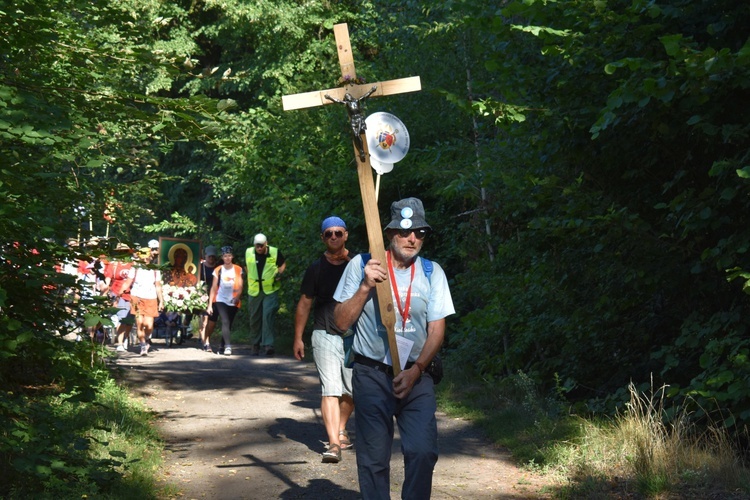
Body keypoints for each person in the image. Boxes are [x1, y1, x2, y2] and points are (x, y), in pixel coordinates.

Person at [333, 197, 455, 499]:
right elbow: (340, 323)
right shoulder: (362, 265)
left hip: (417, 374)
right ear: (389, 233)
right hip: (371, 374)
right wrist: (365, 288)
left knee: (423, 451)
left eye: (419, 232)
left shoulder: (432, 272)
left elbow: (437, 328)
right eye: (404, 231)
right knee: (374, 459)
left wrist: (416, 371)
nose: (412, 238)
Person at [294, 216, 356, 464]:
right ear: (322, 237)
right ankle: (333, 444)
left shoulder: (357, 265)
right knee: (331, 388)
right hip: (324, 333)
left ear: (346, 235)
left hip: (353, 336)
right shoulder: (316, 269)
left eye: (338, 233)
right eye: (328, 233)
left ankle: (341, 427)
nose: (333, 237)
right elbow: (305, 303)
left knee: (352, 390)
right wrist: (298, 338)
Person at [246, 233, 286, 356]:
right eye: (257, 246)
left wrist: (279, 274)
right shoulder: (248, 252)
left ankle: (268, 344)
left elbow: (282, 264)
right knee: (255, 318)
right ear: (254, 245)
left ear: (266, 244)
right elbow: (246, 266)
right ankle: (255, 344)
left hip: (270, 290)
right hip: (254, 291)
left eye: (261, 246)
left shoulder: (274, 252)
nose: (259, 248)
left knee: (268, 316)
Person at [121, 247, 164, 356]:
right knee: (139, 323)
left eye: (146, 257)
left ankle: (147, 337)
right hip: (136, 298)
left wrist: (161, 301)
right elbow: (127, 283)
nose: (144, 260)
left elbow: (158, 286)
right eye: (142, 257)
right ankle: (143, 345)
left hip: (151, 298)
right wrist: (118, 295)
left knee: (148, 325)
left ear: (150, 256)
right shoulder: (134, 269)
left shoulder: (155, 270)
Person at [206, 246, 243, 355]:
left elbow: (241, 286)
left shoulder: (238, 269)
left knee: (229, 323)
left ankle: (222, 346)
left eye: (229, 256)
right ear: (222, 257)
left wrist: (237, 297)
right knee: (225, 320)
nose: (227, 258)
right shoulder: (218, 270)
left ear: (232, 256)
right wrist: (209, 305)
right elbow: (213, 287)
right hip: (220, 299)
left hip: (233, 299)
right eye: (225, 256)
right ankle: (228, 346)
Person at [325, 86, 377, 161]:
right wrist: (329, 97)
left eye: (348, 95)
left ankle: (362, 151)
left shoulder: (357, 101)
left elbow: (365, 95)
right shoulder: (346, 103)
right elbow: (338, 101)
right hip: (353, 119)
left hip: (359, 118)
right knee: (355, 134)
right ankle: (361, 150)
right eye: (346, 97)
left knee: (358, 134)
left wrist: (372, 90)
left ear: (351, 96)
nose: (347, 97)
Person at [104, 243, 135, 351]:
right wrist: (104, 290)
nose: (122, 254)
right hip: (117, 293)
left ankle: (126, 337)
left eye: (124, 252)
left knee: (130, 320)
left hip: (131, 293)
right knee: (121, 318)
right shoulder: (114, 265)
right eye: (120, 252)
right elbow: (108, 279)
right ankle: (120, 343)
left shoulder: (133, 264)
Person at [198, 245, 219, 351]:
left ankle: (206, 338)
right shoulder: (200, 267)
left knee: (212, 321)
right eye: (209, 256)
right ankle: (206, 343)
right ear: (205, 256)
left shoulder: (219, 267)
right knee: (205, 319)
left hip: (216, 296)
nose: (211, 258)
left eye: (213, 257)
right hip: (203, 295)